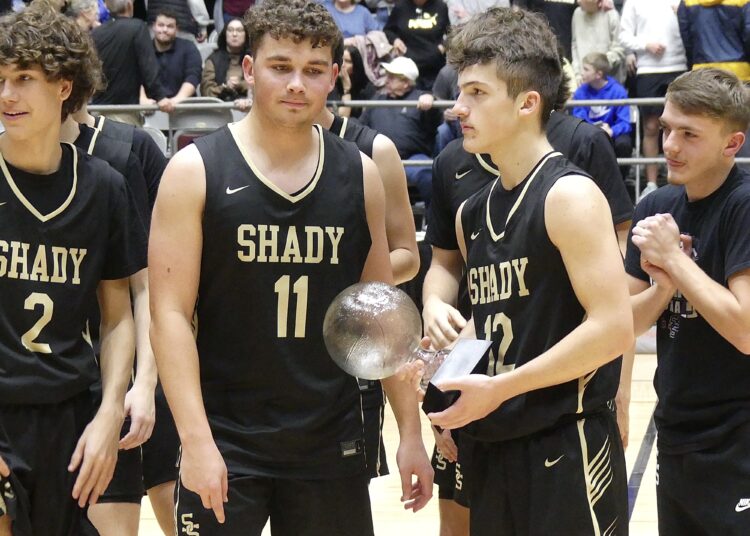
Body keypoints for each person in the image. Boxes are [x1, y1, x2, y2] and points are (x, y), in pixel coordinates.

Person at [149, 1, 433, 533]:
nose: (297, 84)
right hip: (226, 436)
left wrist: (411, 434)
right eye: (281, 67)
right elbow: (169, 316)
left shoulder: (360, 174)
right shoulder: (194, 170)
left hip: (330, 438)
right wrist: (195, 439)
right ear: (249, 69)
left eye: (314, 70)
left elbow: (382, 317)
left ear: (335, 76)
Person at [427, 8, 633, 535]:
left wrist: (504, 387)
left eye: (477, 93)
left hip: (567, 443)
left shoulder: (569, 195)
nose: (458, 107)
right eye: (460, 92)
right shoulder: (472, 212)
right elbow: (496, 321)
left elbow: (613, 327)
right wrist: (442, 379)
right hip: (494, 442)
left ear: (527, 103)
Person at [0, 5, 147, 535]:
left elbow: (118, 316)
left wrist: (110, 412)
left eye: (24, 78)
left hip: (72, 415)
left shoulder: (104, 186)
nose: (7, 95)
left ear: (64, 86)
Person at [625, 67, 750, 535]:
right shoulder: (655, 207)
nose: (670, 145)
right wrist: (662, 287)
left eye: (689, 134)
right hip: (675, 428)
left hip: (737, 435)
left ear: (732, 144)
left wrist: (675, 262)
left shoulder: (743, 206)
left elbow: (746, 331)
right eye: (666, 128)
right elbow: (625, 324)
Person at [619, 0, 687, 195]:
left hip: (679, 66)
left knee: (682, 126)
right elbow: (623, 35)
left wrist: (683, 14)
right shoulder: (633, 3)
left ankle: (682, 180)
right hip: (648, 69)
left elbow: (694, 26)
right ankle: (651, 184)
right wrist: (645, 45)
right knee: (650, 126)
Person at [360, 56, 442, 207]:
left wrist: (431, 101)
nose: (387, 80)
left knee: (427, 175)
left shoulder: (420, 99)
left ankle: (434, 219)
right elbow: (360, 126)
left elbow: (435, 121)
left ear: (406, 82)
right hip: (377, 159)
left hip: (412, 159)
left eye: (392, 77)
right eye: (388, 76)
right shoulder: (377, 99)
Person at [91, 0, 170, 124]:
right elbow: (148, 67)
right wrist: (160, 96)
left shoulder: (96, 33)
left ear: (107, 6)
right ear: (129, 5)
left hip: (97, 111)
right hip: (124, 111)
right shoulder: (137, 28)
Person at [572, 52, 633, 180]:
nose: (581, 73)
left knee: (624, 143)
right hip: (589, 133)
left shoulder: (618, 91)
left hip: (611, 134)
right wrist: (594, 129)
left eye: (586, 69)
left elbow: (625, 123)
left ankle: (620, 180)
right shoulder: (580, 92)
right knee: (576, 140)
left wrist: (611, 131)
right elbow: (578, 118)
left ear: (598, 74)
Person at [140, 9, 202, 111]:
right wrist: (143, 100)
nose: (165, 29)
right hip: (150, 110)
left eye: (170, 26)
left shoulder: (189, 47)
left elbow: (193, 76)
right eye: (161, 25)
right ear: (154, 26)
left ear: (177, 29)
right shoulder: (143, 50)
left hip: (183, 108)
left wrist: (176, 101)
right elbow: (136, 78)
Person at [384, 0, 450, 90]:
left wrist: (442, 47)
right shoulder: (400, 7)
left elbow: (451, 33)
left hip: (434, 66)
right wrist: (395, 40)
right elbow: (388, 30)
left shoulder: (441, 7)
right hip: (408, 68)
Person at [201, 18, 253, 112]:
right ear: (225, 34)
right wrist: (225, 87)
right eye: (230, 30)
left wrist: (240, 85)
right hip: (219, 112)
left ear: (246, 34)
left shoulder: (254, 59)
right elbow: (206, 92)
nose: (234, 34)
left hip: (250, 109)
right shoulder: (213, 60)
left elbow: (262, 86)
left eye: (239, 30)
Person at [571, 0, 626, 83]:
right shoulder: (577, 13)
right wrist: (577, 74)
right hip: (583, 81)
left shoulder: (611, 14)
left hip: (608, 81)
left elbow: (619, 49)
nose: (578, 1)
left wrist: (598, 67)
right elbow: (575, 46)